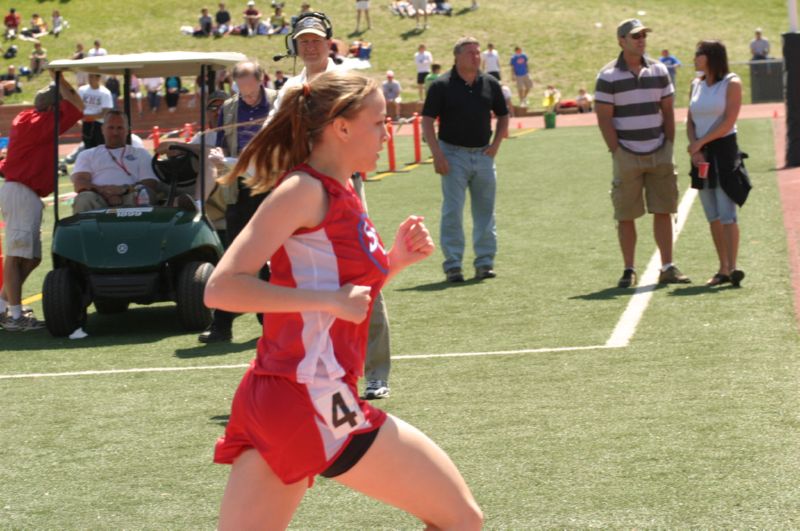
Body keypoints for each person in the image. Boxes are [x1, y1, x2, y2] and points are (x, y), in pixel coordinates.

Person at [206, 69, 483, 530]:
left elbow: (345, 291)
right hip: (311, 395)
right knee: (460, 520)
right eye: (379, 122)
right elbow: (223, 287)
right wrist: (330, 301)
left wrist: (393, 262)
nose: (387, 132)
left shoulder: (343, 190)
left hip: (282, 394)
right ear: (342, 126)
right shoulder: (303, 190)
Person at [269, 13, 393, 400]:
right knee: (307, 279)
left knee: (366, 271)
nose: (310, 46)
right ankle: (318, 369)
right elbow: (273, 133)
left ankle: (375, 371)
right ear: (295, 46)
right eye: (303, 41)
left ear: (329, 43)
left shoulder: (349, 78)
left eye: (316, 40)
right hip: (306, 192)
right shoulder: (290, 87)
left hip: (345, 185)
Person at [595, 19, 690, 288]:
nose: (641, 40)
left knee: (663, 209)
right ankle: (629, 269)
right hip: (627, 154)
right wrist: (617, 150)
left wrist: (668, 145)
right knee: (625, 213)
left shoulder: (660, 71)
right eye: (635, 36)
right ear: (621, 41)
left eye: (643, 35)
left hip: (659, 151)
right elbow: (604, 118)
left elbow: (668, 111)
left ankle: (668, 266)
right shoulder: (608, 76)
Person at [198, 61, 277, 344]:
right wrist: (218, 156)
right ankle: (222, 326)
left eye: (252, 92)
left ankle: (272, 324)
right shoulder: (229, 108)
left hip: (272, 186)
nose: (248, 97)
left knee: (272, 257)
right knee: (233, 256)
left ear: (260, 80)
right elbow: (220, 141)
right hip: (239, 188)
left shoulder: (279, 101)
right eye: (242, 92)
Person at [422, 36, 509, 282]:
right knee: (453, 211)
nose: (476, 56)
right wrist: (437, 153)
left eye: (478, 52)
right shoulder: (442, 85)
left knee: (485, 211)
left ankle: (484, 262)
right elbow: (427, 120)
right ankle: (453, 265)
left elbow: (503, 115)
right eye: (470, 52)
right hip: (453, 154)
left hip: (483, 154)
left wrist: (496, 145)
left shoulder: (490, 83)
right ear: (457, 56)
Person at [0, 78, 83, 331]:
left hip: (24, 191)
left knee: (32, 257)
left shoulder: (28, 118)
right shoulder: (39, 123)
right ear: (52, 108)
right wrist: (61, 79)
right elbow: (78, 105)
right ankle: (14, 317)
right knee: (16, 256)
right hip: (22, 191)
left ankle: (3, 304)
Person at [687, 40, 747, 287]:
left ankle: (733, 268)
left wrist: (700, 144)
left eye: (698, 54)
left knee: (726, 214)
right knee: (711, 214)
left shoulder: (731, 82)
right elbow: (689, 120)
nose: (694, 58)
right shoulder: (695, 84)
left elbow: (728, 120)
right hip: (700, 154)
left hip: (723, 152)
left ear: (711, 57)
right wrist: (695, 147)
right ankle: (722, 268)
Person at [71, 111, 160, 213]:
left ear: (127, 130)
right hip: (98, 197)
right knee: (84, 198)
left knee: (144, 194)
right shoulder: (87, 154)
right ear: (102, 129)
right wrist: (105, 192)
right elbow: (80, 183)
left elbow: (150, 183)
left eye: (120, 128)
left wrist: (123, 190)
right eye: (111, 128)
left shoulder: (141, 153)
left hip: (131, 195)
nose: (115, 133)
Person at [78, 74, 113, 149]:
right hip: (86, 124)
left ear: (98, 78)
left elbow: (105, 112)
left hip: (99, 124)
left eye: (92, 77)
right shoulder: (82, 90)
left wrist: (88, 117)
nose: (90, 79)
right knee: (87, 146)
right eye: (89, 76)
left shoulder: (105, 92)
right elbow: (78, 107)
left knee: (100, 146)